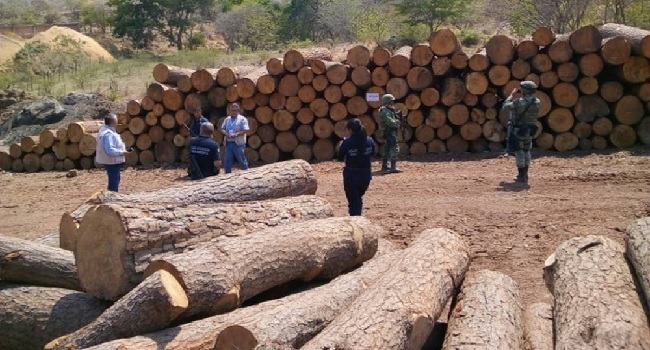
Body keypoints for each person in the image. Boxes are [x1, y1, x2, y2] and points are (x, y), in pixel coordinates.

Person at [502, 81, 540, 184]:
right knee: (527, 151)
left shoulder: (519, 102)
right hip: (530, 129)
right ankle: (525, 174)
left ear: (525, 90)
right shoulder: (537, 101)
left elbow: (505, 107)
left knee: (519, 152)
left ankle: (521, 175)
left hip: (519, 130)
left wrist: (511, 95)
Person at [337, 118, 376, 216]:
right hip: (366, 175)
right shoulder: (369, 140)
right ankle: (358, 217)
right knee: (358, 199)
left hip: (352, 176)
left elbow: (340, 157)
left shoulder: (347, 142)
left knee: (354, 202)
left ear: (350, 130)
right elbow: (373, 153)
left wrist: (341, 145)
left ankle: (356, 221)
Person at [95, 113, 131, 192]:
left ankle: (112, 197)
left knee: (115, 179)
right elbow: (109, 149)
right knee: (114, 181)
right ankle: (111, 199)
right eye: (116, 120)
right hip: (112, 161)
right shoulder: (108, 134)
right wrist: (122, 152)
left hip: (111, 160)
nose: (117, 121)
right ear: (113, 122)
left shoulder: (105, 130)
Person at [220, 103, 250, 174]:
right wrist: (226, 134)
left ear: (238, 110)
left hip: (238, 143)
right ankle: (227, 175)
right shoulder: (227, 119)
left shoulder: (242, 119)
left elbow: (246, 130)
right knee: (227, 160)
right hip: (229, 143)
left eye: (235, 110)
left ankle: (246, 173)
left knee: (241, 160)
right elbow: (222, 128)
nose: (233, 112)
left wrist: (236, 134)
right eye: (232, 110)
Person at [378, 94, 402, 173]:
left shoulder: (388, 110)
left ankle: (385, 166)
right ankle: (393, 166)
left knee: (387, 148)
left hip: (389, 131)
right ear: (388, 101)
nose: (392, 102)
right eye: (391, 101)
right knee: (394, 147)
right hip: (389, 132)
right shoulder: (385, 111)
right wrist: (397, 122)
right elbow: (389, 121)